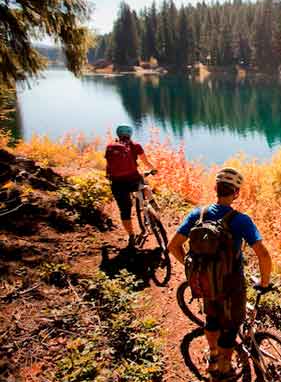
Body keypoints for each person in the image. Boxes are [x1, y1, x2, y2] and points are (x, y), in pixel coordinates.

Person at [168, 167, 272, 381]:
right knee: (231, 327)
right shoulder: (241, 220)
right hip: (232, 285)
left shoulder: (198, 214)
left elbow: (173, 246)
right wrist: (264, 282)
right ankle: (223, 369)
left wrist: (191, 268)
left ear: (215, 189)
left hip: (205, 281)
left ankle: (213, 355)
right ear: (236, 193)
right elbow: (263, 255)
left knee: (212, 319)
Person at [105, 124, 157, 247]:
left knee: (125, 211)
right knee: (144, 184)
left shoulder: (110, 147)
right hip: (133, 179)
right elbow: (146, 162)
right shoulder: (135, 146)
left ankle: (131, 236)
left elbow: (108, 166)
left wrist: (108, 176)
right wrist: (153, 169)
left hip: (117, 183)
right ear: (130, 134)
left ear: (118, 134)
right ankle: (152, 203)